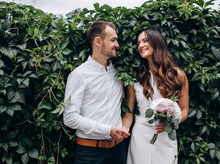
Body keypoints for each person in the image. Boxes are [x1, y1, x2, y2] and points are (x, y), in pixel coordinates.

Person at [63, 20, 129, 164]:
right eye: (113, 40)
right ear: (98, 42)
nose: (117, 45)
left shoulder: (118, 74)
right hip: (90, 153)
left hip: (118, 151)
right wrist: (107, 130)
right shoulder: (79, 75)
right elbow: (70, 117)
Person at [122, 29, 189, 164]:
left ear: (157, 43)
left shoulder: (178, 75)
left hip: (165, 135)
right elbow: (129, 112)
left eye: (145, 41)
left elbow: (185, 110)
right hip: (140, 136)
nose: (140, 45)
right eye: (138, 43)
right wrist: (124, 129)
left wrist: (171, 123)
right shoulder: (134, 78)